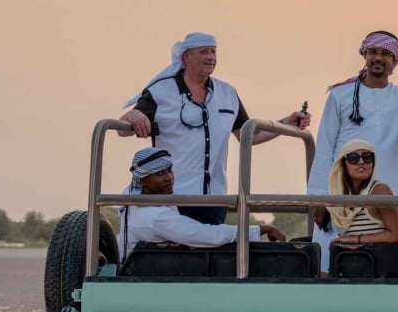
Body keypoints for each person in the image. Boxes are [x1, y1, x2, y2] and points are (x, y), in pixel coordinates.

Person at [121, 32, 309, 224]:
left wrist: (286, 122)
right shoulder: (160, 91)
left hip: (215, 201)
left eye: (213, 52)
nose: (211, 57)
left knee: (213, 242)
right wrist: (133, 115)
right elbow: (122, 129)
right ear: (187, 56)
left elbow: (250, 136)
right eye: (204, 52)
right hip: (172, 199)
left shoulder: (227, 93)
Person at [306, 31, 398, 208]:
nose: (378, 57)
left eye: (386, 53)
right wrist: (318, 197)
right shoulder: (340, 95)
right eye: (373, 52)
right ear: (365, 55)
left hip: (391, 194)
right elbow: (325, 147)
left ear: (395, 61)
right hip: (345, 194)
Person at [118, 147, 284, 261]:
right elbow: (206, 235)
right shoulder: (155, 217)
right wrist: (261, 230)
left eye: (169, 170)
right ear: (143, 181)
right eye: (160, 173)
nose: (169, 177)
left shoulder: (130, 197)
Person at [313, 138, 398, 274]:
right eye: (353, 158)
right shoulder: (340, 197)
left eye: (367, 157)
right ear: (343, 164)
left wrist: (355, 240)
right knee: (304, 275)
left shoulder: (379, 191)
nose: (361, 162)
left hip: (374, 272)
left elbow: (396, 235)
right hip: (350, 267)